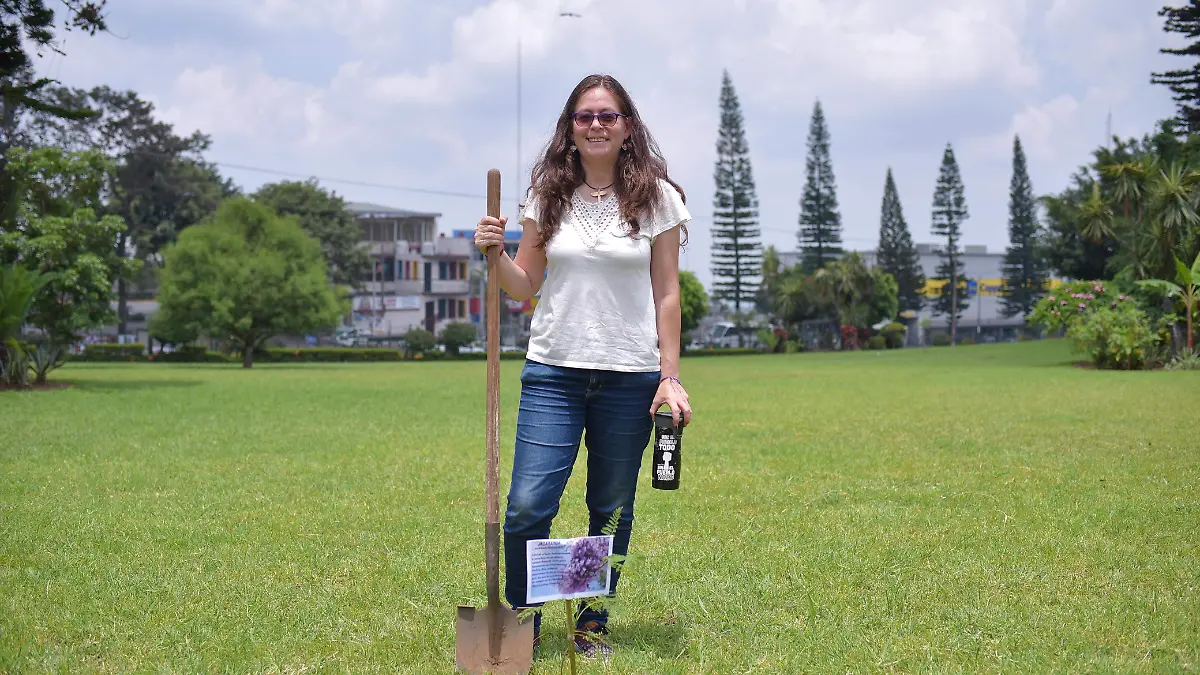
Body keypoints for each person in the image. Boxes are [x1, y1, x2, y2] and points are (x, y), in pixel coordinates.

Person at [473, 73, 693, 657]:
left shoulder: (658, 199)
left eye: (608, 115)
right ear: (569, 129)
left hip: (630, 375)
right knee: (528, 505)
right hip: (554, 372)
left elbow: (667, 294)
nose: (596, 124)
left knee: (610, 508)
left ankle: (590, 623)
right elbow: (524, 284)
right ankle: (523, 621)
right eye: (584, 116)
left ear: (627, 127)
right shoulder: (547, 194)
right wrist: (495, 254)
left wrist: (670, 378)